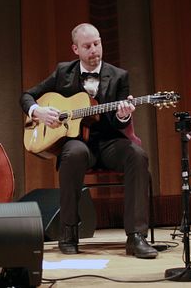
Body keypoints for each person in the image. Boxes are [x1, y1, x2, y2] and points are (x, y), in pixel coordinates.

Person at [20, 23, 158, 259]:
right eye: (87, 46)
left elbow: (120, 124)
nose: (94, 50)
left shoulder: (119, 76)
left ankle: (136, 236)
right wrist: (37, 112)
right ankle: (69, 232)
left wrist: (122, 115)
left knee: (137, 155)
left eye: (97, 43)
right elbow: (27, 95)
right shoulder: (64, 71)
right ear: (76, 49)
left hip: (109, 142)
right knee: (72, 154)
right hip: (78, 142)